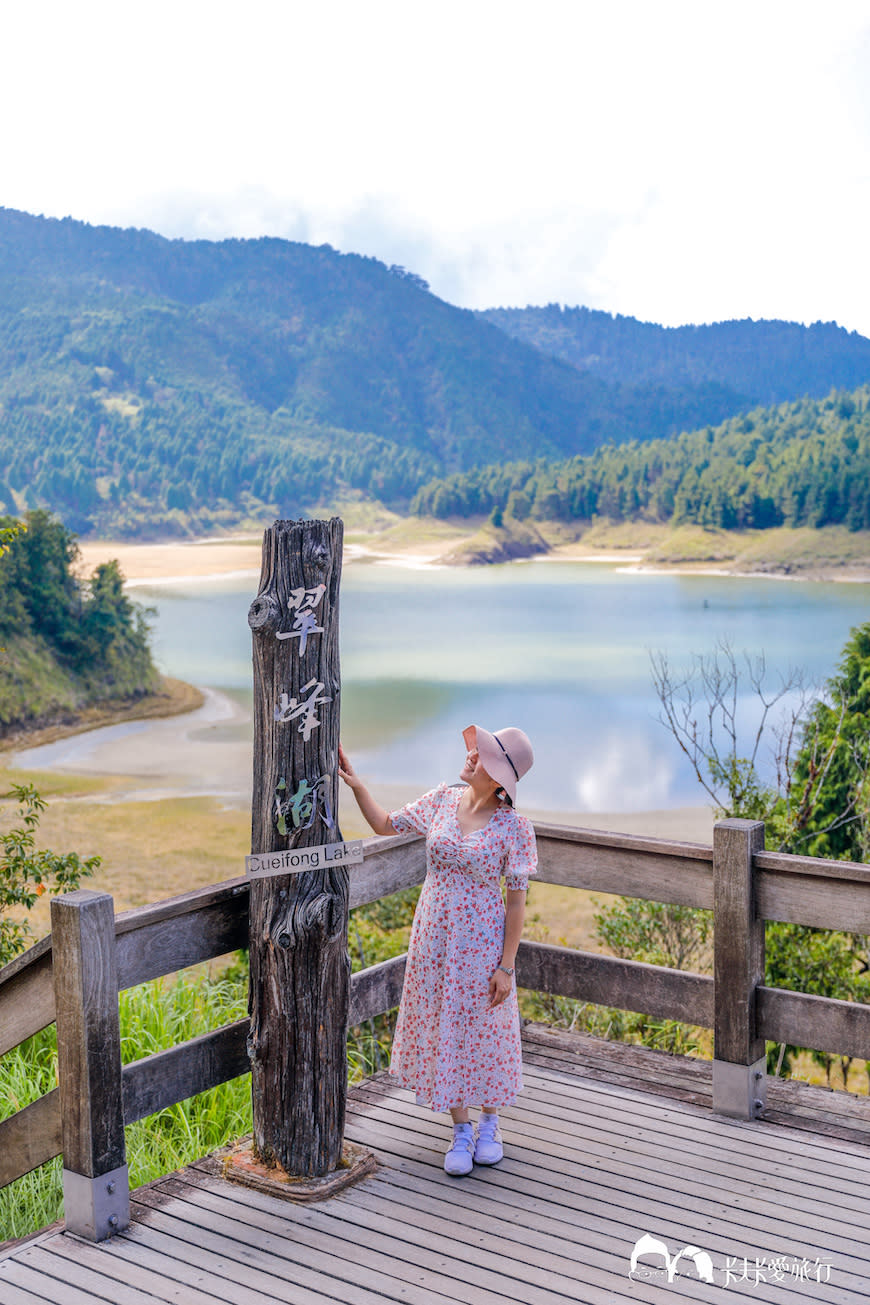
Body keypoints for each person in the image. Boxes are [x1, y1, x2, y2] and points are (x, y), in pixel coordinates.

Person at [338, 724, 537, 1176]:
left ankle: (491, 1122)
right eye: (475, 751)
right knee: (445, 1023)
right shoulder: (442, 801)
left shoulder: (514, 828)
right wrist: (357, 785)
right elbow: (385, 824)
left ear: (500, 776)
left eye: (483, 756)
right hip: (435, 942)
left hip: (484, 945)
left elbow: (517, 900)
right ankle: (461, 1127)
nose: (471, 757)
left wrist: (506, 965)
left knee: (485, 1026)